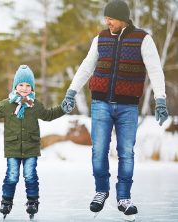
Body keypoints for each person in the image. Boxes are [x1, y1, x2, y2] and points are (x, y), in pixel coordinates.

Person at [62, 0, 168, 219]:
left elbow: (156, 71)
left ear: (122, 18)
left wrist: (160, 100)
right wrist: (71, 92)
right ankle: (101, 191)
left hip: (128, 106)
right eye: (106, 18)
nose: (107, 22)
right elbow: (86, 66)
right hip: (100, 104)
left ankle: (124, 197)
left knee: (126, 153)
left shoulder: (143, 39)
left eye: (110, 18)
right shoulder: (100, 38)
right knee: (98, 149)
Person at [0, 65, 67, 218]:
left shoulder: (35, 105)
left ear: (32, 87)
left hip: (31, 146)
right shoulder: (6, 105)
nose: (24, 88)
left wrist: (63, 108)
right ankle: (6, 200)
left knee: (30, 175)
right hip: (13, 147)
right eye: (21, 85)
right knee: (12, 175)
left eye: (28, 85)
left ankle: (32, 201)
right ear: (15, 86)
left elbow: (48, 115)